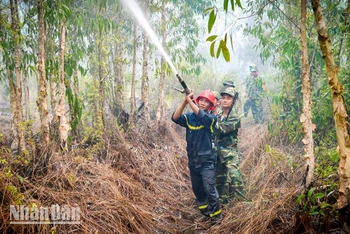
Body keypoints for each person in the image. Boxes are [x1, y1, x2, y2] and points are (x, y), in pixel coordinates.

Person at [172, 89, 222, 224]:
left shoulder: (211, 119)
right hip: (193, 161)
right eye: (201, 100)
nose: (203, 103)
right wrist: (184, 101)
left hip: (206, 162)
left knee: (209, 188)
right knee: (198, 189)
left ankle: (216, 217)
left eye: (207, 101)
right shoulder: (190, 117)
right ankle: (205, 213)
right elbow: (175, 118)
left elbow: (201, 115)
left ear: (211, 105)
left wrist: (190, 101)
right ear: (198, 100)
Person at [214, 87, 246, 204]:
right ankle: (223, 201)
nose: (225, 100)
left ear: (233, 101)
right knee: (220, 179)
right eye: (223, 98)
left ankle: (243, 201)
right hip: (218, 153)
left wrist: (209, 121)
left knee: (234, 176)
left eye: (228, 98)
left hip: (230, 152)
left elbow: (222, 129)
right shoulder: (219, 115)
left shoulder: (234, 117)